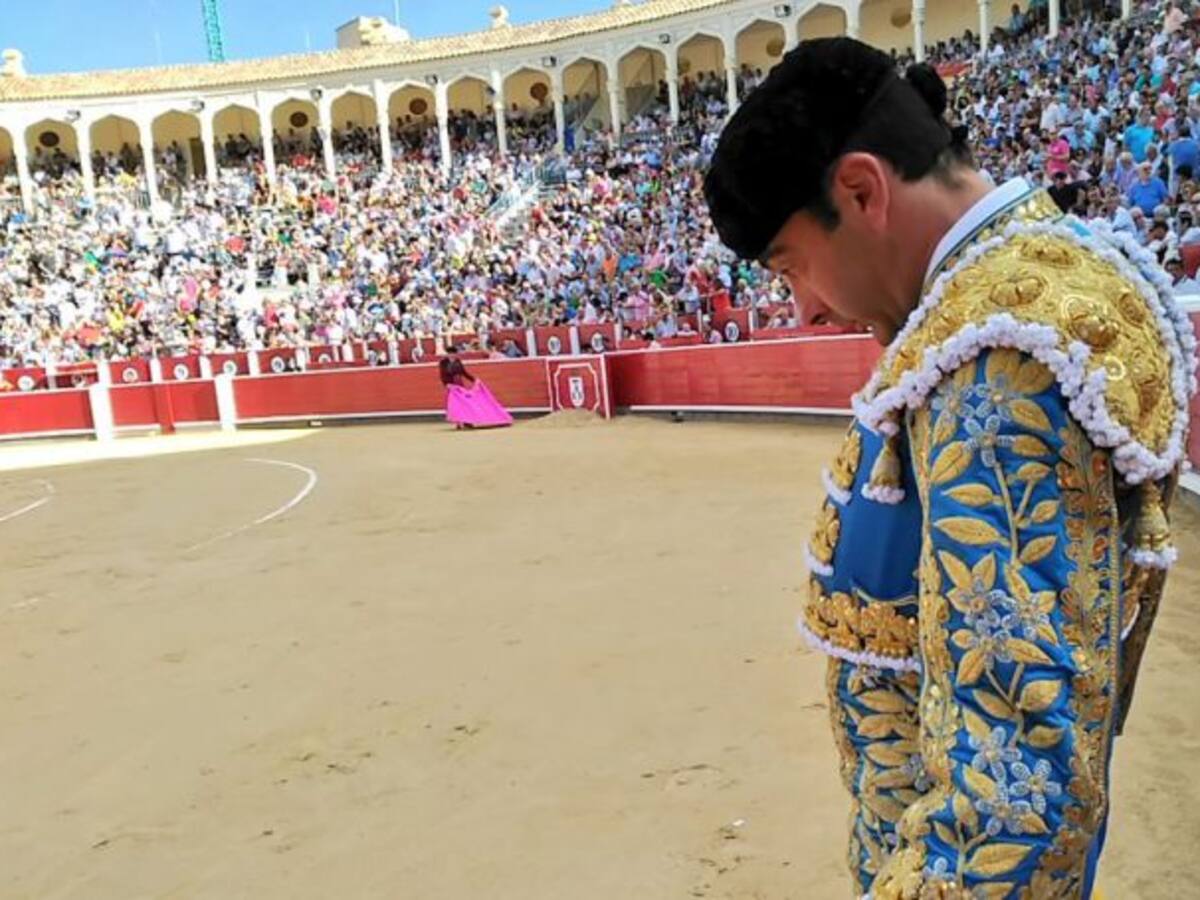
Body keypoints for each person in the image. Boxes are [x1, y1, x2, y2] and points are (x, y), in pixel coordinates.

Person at [705, 37, 1194, 899]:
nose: (806, 307)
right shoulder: (1037, 281)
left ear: (862, 191)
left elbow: (1014, 800)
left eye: (790, 267)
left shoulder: (994, 377)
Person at [438, 347, 513, 430]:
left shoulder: (457, 361)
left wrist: (473, 380)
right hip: (451, 385)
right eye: (451, 353)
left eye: (454, 353)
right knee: (456, 405)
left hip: (459, 383)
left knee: (465, 403)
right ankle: (459, 422)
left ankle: (467, 421)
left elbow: (464, 372)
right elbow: (442, 374)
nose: (453, 355)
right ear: (448, 354)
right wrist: (446, 384)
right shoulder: (443, 363)